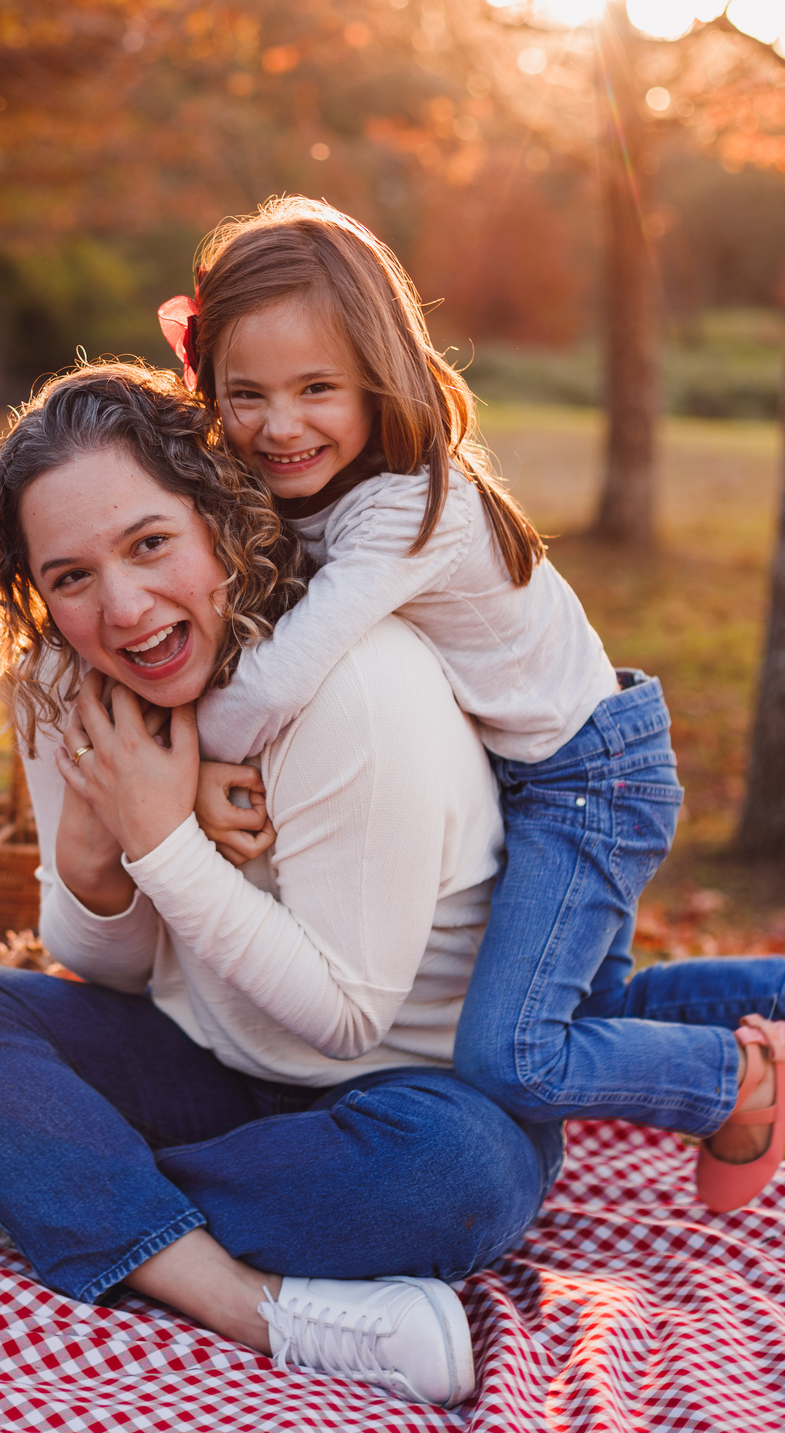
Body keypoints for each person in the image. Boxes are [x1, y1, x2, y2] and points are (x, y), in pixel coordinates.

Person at [0, 363, 571, 1410]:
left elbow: (347, 1022)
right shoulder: (63, 679)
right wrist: (99, 845)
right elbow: (108, 971)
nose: (124, 608)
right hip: (205, 1067)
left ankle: (27, 1191)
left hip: (402, 1092)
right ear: (35, 590)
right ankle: (242, 1300)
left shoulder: (359, 685)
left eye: (150, 544)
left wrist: (162, 837)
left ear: (220, 518)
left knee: (458, 1179)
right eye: (71, 576)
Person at [156, 196, 785, 1212]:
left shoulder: (409, 508)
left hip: (587, 783)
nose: (280, 425)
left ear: (380, 377)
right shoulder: (316, 488)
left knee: (515, 1056)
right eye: (246, 394)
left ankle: (739, 1081)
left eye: (317, 388)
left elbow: (277, 681)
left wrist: (172, 770)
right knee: (588, 1012)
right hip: (535, 775)